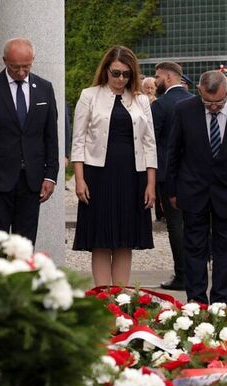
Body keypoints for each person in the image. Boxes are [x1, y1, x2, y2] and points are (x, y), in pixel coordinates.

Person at [165, 70, 227, 305]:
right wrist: (172, 190)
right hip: (193, 192)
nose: (213, 107)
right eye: (208, 102)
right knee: (194, 249)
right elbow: (173, 152)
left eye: (218, 102)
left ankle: (221, 305)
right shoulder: (184, 110)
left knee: (225, 251)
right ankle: (196, 304)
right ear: (199, 91)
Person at [71, 45, 156, 287]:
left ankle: (120, 297)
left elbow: (150, 143)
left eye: (126, 74)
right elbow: (78, 140)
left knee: (125, 239)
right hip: (97, 174)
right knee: (100, 238)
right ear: (106, 70)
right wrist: (79, 179)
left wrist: (151, 183)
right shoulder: (89, 95)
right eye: (116, 73)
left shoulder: (141, 100)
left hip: (133, 175)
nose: (120, 79)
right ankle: (102, 297)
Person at [0, 37, 58, 244]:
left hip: (32, 180)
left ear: (33, 60)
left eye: (26, 66)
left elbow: (51, 135)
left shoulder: (45, 88)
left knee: (25, 245)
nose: (21, 72)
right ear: (4, 61)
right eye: (15, 67)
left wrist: (50, 175)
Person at [151, 61, 193, 290]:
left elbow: (152, 142)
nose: (155, 81)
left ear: (168, 78)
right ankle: (196, 271)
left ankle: (182, 275)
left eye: (157, 77)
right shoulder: (195, 102)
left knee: (176, 225)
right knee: (195, 224)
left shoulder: (160, 106)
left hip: (169, 176)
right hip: (195, 175)